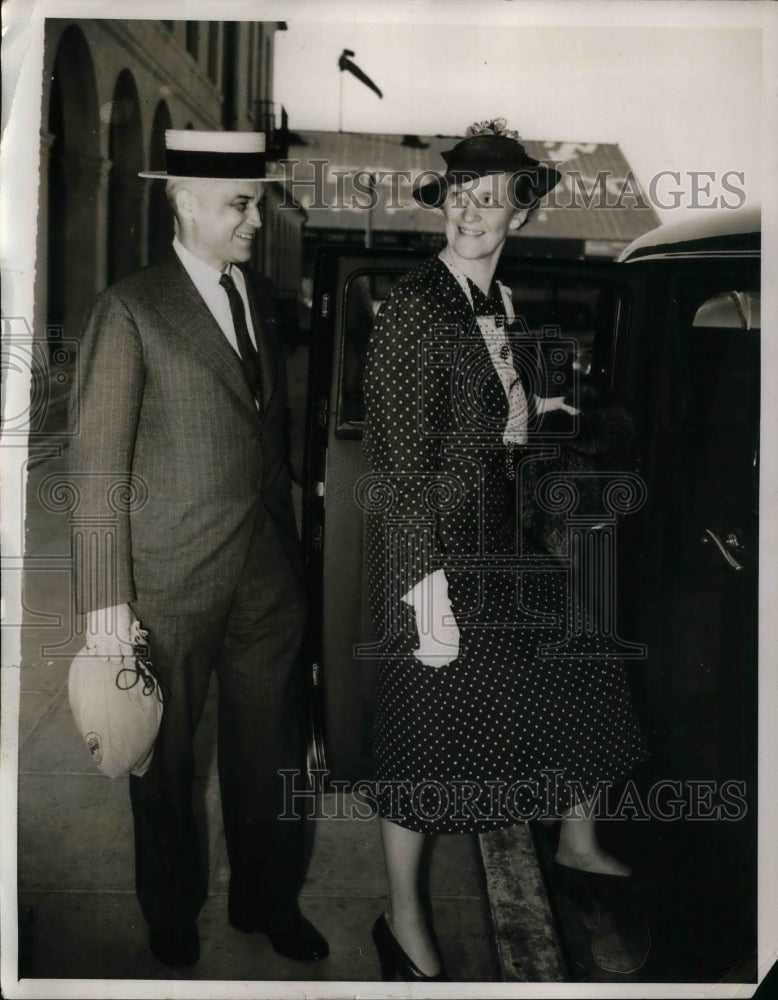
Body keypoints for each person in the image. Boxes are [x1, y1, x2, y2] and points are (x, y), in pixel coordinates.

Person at [362, 119, 646, 980]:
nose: (471, 212)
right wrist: (422, 590)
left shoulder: (496, 303)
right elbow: (399, 462)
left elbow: (485, 412)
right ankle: (404, 922)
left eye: (490, 200)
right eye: (460, 195)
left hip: (494, 535)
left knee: (587, 655)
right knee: (423, 734)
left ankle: (578, 842)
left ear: (519, 217)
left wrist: (532, 422)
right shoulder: (419, 305)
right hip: (435, 552)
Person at [68, 130, 328, 969]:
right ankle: (171, 910)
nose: (256, 220)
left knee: (269, 751)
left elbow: (267, 432)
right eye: (240, 206)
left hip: (265, 571)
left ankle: (268, 900)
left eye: (258, 202)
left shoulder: (256, 293)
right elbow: (97, 461)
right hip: (168, 578)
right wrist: (106, 602)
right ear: (183, 201)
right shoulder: (132, 308)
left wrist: (292, 547)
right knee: (166, 763)